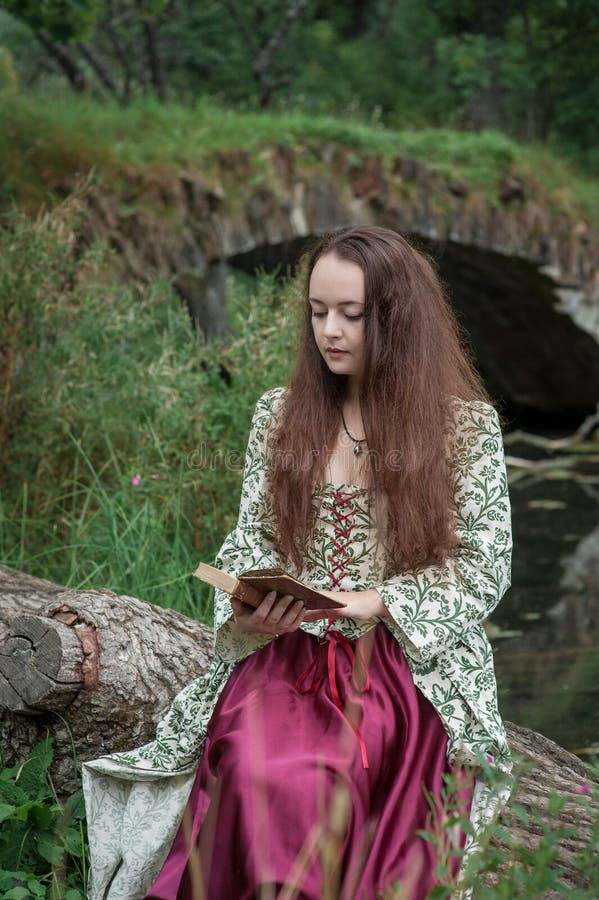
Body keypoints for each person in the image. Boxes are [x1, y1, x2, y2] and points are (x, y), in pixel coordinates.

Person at [82, 225, 512, 899]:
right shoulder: (281, 415)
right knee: (255, 766)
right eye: (317, 312)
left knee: (330, 772)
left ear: (397, 318)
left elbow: (482, 565)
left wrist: (373, 603)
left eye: (351, 314)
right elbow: (250, 540)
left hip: (399, 661)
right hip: (288, 651)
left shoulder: (463, 428)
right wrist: (251, 603)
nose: (329, 331)